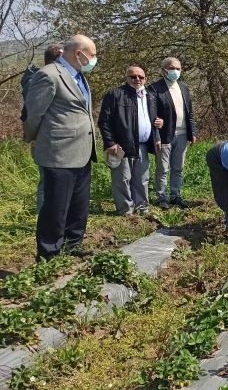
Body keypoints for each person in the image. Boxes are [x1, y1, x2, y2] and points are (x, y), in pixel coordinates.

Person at [22, 34, 98, 261]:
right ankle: (49, 253)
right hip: (58, 152)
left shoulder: (79, 76)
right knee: (56, 206)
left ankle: (73, 244)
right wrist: (33, 139)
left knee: (79, 204)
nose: (94, 59)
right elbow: (33, 113)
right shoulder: (49, 75)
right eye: (92, 55)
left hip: (82, 151)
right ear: (78, 54)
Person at [98, 66, 162, 215]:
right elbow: (104, 121)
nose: (137, 79)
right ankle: (125, 210)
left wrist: (157, 134)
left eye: (141, 77)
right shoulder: (115, 94)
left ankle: (142, 208)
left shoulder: (150, 96)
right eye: (133, 77)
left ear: (146, 79)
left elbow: (154, 119)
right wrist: (110, 142)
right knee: (123, 179)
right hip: (122, 145)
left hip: (143, 145)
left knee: (142, 178)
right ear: (126, 78)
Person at [20, 44, 63, 213]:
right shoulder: (42, 79)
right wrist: (32, 136)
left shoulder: (38, 78)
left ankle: (52, 216)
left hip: (49, 137)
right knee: (47, 181)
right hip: (44, 138)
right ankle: (44, 219)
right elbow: (34, 113)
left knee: (52, 180)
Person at [150, 57, 197, 209]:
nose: (175, 71)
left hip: (183, 134)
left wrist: (192, 131)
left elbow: (189, 112)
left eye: (178, 68)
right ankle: (161, 197)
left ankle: (175, 195)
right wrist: (156, 135)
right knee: (163, 168)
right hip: (165, 136)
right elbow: (152, 115)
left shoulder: (183, 87)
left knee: (178, 168)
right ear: (163, 70)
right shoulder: (155, 88)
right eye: (172, 68)